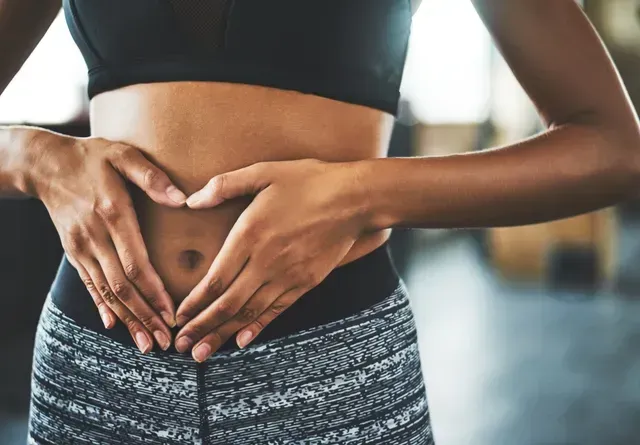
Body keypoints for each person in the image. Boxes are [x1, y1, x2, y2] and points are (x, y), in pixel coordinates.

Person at [1, 0, 638, 443]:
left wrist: (360, 193)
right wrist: (33, 157)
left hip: (331, 359)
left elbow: (612, 145)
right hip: (98, 360)